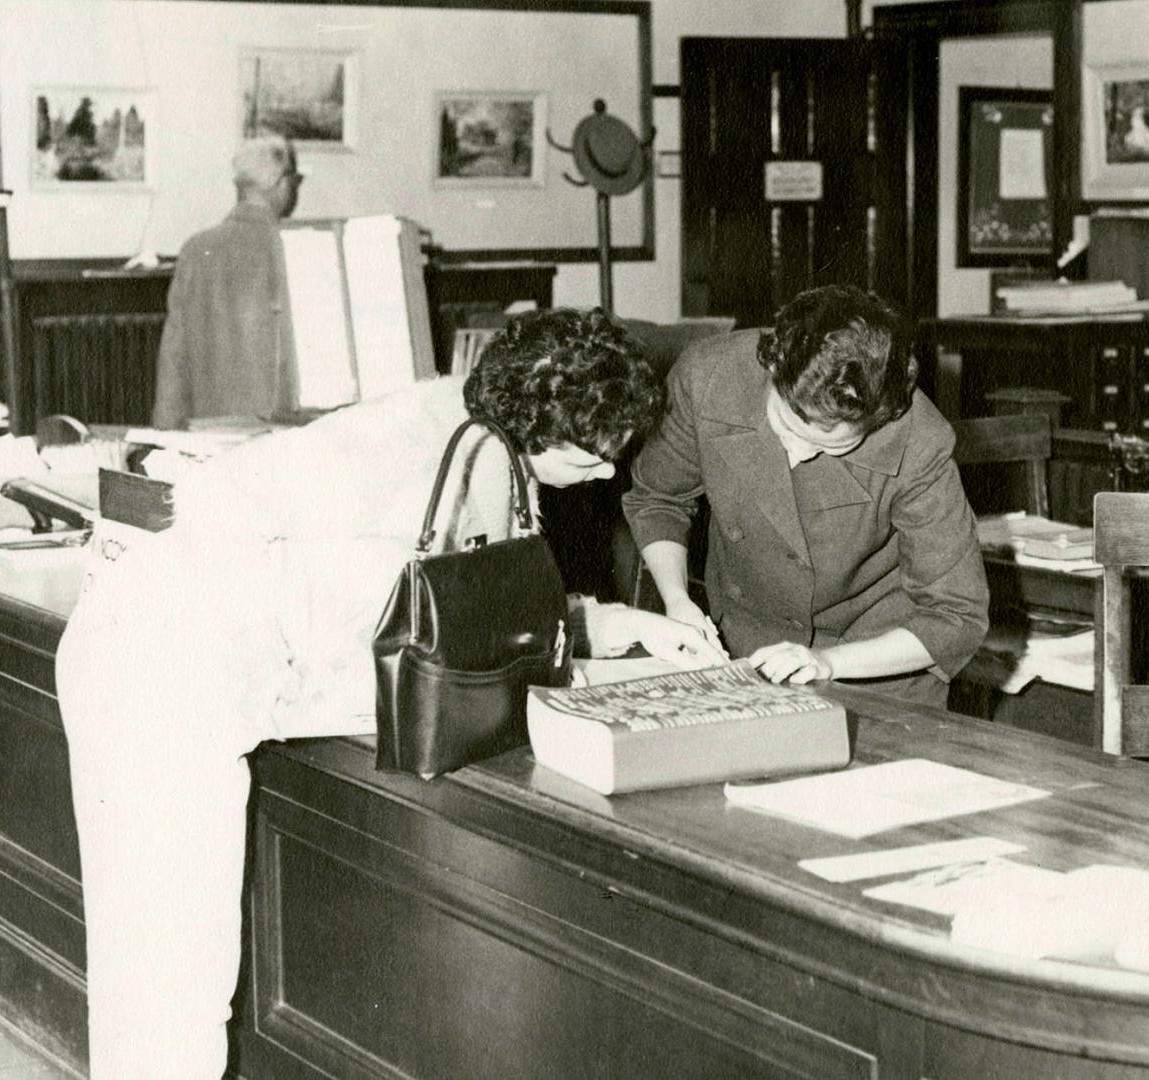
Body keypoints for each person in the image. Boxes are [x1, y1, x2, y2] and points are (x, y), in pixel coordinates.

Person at [56, 308, 722, 1080]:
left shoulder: (466, 426)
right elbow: (220, 518)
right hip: (158, 680)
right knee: (171, 983)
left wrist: (610, 624)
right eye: (594, 454)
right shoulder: (434, 451)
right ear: (542, 416)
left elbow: (462, 600)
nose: (607, 474)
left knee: (168, 980)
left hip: (181, 666)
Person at [623, 284, 989, 708]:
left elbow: (955, 616)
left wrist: (827, 663)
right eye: (785, 425)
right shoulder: (710, 377)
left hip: (877, 671)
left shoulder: (919, 441)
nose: (798, 454)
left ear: (879, 418)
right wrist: (678, 599)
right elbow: (659, 499)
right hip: (742, 655)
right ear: (773, 366)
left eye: (831, 446)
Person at [150, 134, 304, 430]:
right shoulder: (290, 248)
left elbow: (173, 362)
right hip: (277, 437)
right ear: (281, 185)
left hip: (207, 436)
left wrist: (165, 436)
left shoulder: (195, 249)